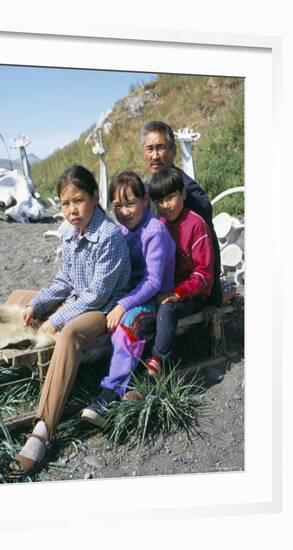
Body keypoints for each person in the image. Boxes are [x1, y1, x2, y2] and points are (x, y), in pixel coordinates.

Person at [9, 165, 131, 476]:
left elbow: (96, 296)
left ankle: (43, 429)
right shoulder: (69, 233)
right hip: (79, 300)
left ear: (95, 196)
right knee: (19, 299)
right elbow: (64, 280)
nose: (72, 210)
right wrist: (37, 305)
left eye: (78, 200)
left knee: (69, 333)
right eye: (65, 203)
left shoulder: (110, 235)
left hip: (103, 311)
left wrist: (57, 319)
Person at [80, 171, 176, 427]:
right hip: (127, 293)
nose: (124, 211)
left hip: (151, 299)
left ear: (145, 200)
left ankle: (111, 392)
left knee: (127, 326)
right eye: (118, 206)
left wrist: (123, 305)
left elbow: (153, 281)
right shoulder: (120, 230)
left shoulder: (154, 231)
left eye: (130, 203)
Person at [141, 120, 222, 307]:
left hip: (187, 289)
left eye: (160, 148)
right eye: (149, 149)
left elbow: (209, 248)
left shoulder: (190, 193)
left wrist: (213, 297)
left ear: (173, 151)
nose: (155, 156)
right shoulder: (145, 191)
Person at [145, 166, 214, 376]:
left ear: (183, 193)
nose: (165, 206)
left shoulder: (196, 225)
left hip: (192, 295)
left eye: (171, 197)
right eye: (160, 201)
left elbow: (204, 274)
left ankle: (157, 361)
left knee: (167, 310)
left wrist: (177, 294)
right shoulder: (160, 224)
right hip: (167, 289)